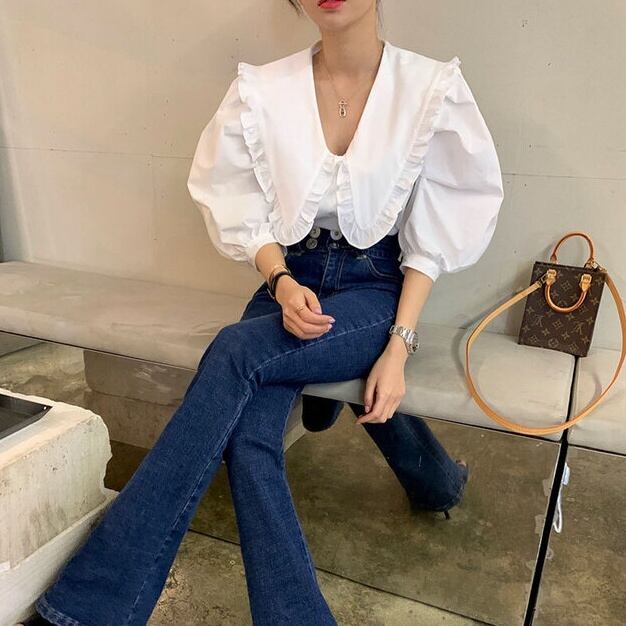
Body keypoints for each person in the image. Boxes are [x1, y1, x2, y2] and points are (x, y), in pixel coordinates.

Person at [27, 1, 504, 625]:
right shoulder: (264, 88)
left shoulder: (431, 87)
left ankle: (89, 608)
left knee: (235, 351)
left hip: (375, 288)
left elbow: (437, 232)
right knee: (250, 437)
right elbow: (236, 200)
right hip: (289, 279)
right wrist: (279, 281)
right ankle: (431, 485)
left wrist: (398, 345)